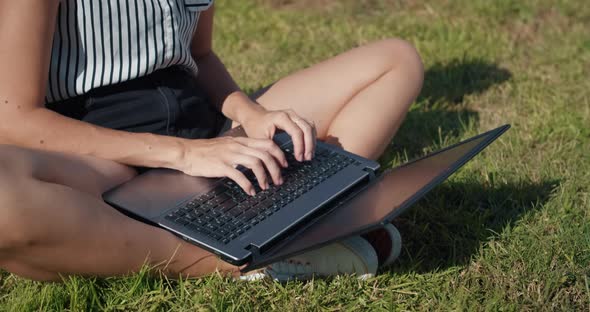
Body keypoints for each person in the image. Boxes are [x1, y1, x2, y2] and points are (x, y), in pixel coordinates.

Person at [0, 0, 423, 281]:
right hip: (105, 160)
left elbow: (198, 57)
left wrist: (250, 114)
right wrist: (183, 155)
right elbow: (14, 119)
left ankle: (294, 212)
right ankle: (236, 260)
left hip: (207, 130)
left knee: (394, 61)